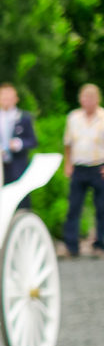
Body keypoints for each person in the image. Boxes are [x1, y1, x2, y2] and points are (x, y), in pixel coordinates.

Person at [62, 83, 104, 258]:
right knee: (74, 207)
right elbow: (68, 143)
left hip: (98, 166)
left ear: (97, 100)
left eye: (91, 98)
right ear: (81, 99)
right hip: (79, 166)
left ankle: (100, 244)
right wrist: (68, 163)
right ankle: (71, 245)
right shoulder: (73, 117)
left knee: (101, 208)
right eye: (85, 98)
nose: (88, 102)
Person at [0, 82, 38, 209]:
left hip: (18, 166)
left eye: (9, 98)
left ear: (16, 99)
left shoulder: (24, 117)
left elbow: (33, 141)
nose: (6, 101)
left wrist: (19, 144)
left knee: (21, 200)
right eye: (3, 97)